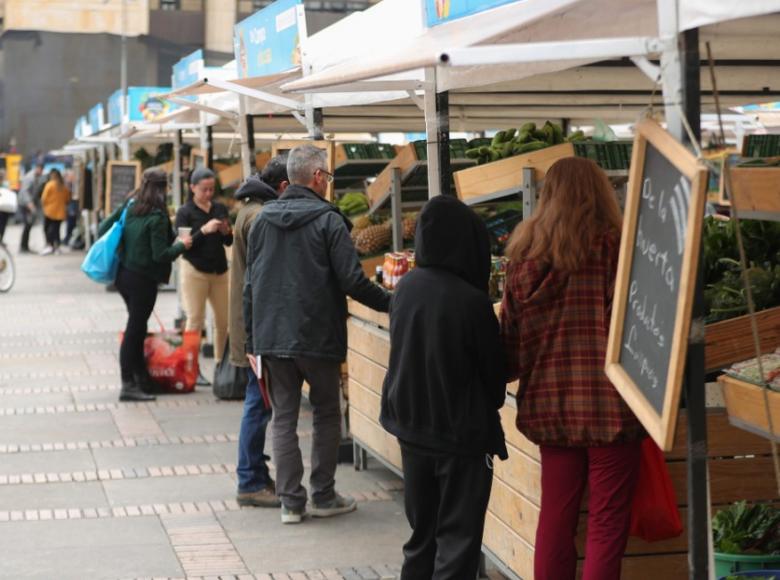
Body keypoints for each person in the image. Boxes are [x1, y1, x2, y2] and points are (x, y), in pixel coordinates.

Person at [500, 157, 644, 580]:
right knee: (606, 524)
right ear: (600, 193)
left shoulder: (523, 256)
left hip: (550, 407)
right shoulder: (617, 247)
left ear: (547, 197)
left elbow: (509, 343)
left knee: (556, 519)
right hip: (612, 409)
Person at [244, 144, 390, 524]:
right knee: (326, 413)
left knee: (284, 418)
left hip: (272, 336)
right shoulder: (329, 220)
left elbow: (249, 286)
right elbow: (353, 281)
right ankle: (323, 495)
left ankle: (291, 503)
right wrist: (394, 303)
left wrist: (250, 341)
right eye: (328, 176)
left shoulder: (262, 220)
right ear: (318, 177)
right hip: (318, 335)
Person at [380, 195, 508, 579]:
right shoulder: (472, 301)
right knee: (457, 542)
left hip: (410, 429)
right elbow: (494, 381)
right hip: (459, 438)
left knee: (422, 537)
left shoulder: (405, 287)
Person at [99, 169, 192, 402]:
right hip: (143, 281)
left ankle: (141, 378)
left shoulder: (131, 206)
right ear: (163, 188)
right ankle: (128, 384)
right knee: (134, 331)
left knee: (137, 328)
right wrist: (182, 244)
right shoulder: (157, 217)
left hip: (123, 276)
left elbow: (103, 228)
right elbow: (161, 255)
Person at [230, 156, 289, 508]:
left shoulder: (251, 209)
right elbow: (261, 280)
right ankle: (249, 479)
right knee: (258, 403)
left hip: (253, 324)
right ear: (283, 187)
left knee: (259, 402)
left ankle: (253, 472)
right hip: (257, 327)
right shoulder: (259, 217)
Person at [175, 167, 233, 362]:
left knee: (223, 321)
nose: (208, 194)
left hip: (220, 271)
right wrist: (203, 231)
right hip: (195, 271)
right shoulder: (184, 212)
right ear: (193, 188)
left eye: (211, 189)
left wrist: (226, 233)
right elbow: (184, 245)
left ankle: (221, 365)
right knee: (195, 320)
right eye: (204, 189)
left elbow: (228, 242)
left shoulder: (219, 208)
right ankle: (191, 365)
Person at [40, 169, 71, 255]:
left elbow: (43, 198)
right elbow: (68, 198)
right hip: (60, 212)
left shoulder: (49, 185)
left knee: (47, 229)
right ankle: (57, 246)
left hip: (49, 211)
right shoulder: (63, 186)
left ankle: (49, 245)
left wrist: (44, 206)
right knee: (57, 230)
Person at [17, 164, 45, 253]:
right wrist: (30, 204)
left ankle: (25, 246)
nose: (41, 172)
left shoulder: (38, 177)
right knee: (27, 225)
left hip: (31, 204)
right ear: (37, 168)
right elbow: (25, 192)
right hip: (25, 204)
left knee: (29, 225)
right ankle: (23, 246)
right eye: (40, 170)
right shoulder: (29, 177)